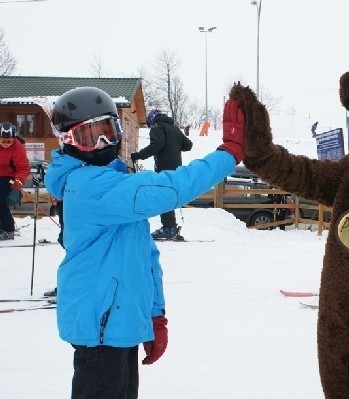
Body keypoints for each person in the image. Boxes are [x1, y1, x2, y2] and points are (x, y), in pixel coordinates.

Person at [44, 86, 244, 398]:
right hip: (99, 330)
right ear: (68, 141)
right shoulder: (89, 186)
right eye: (89, 136)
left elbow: (146, 261)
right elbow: (171, 188)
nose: (102, 143)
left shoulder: (116, 185)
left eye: (108, 132)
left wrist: (154, 316)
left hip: (120, 324)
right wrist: (229, 153)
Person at [130, 109, 193, 240]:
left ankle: (168, 228)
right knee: (168, 196)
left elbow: (156, 146)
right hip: (176, 169)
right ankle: (171, 227)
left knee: (163, 197)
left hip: (164, 168)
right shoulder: (174, 129)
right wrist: (174, 144)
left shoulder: (157, 128)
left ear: (152, 120)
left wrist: (138, 155)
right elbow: (188, 145)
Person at [0, 121, 30, 240]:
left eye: (9, 141)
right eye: (3, 141)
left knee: (0, 199)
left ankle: (8, 230)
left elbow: (23, 167)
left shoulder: (18, 147)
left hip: (8, 176)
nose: (6, 144)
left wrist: (19, 180)